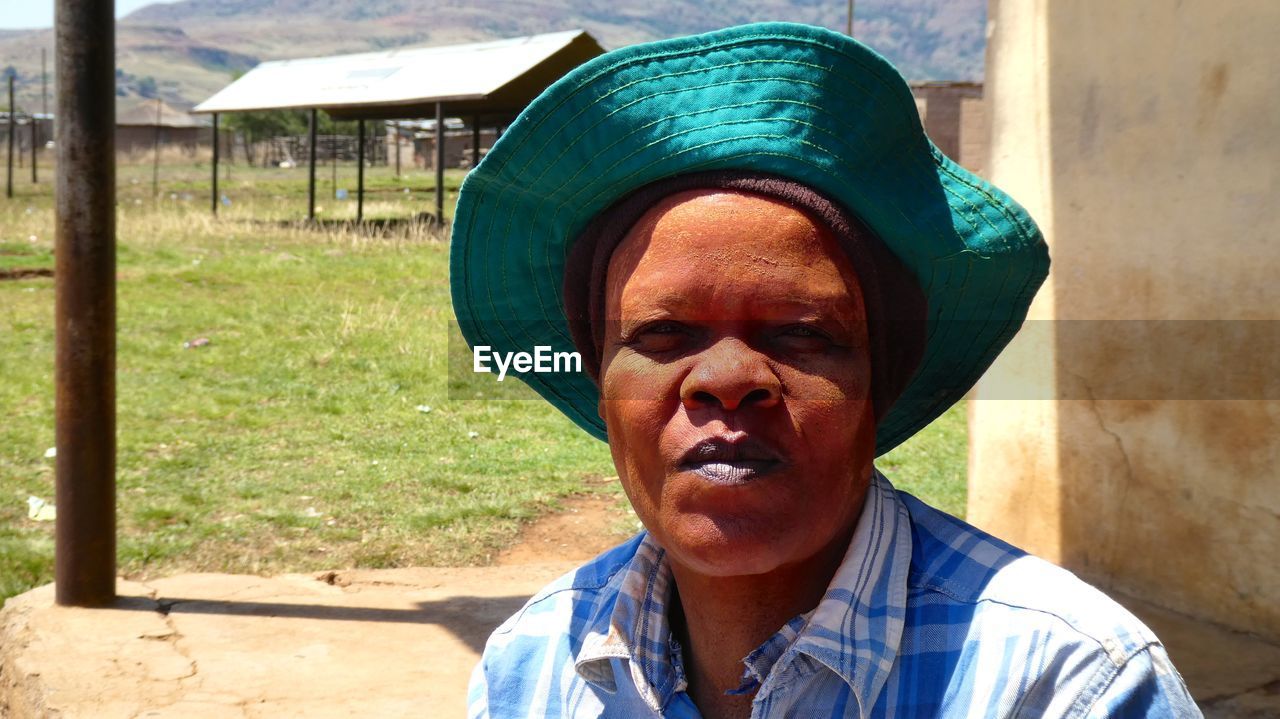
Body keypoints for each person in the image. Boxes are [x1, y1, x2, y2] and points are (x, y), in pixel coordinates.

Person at [450, 22, 1200, 718]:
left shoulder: (1066, 684)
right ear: (603, 385)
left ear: (880, 382)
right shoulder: (534, 667)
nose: (727, 376)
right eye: (664, 332)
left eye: (801, 333)